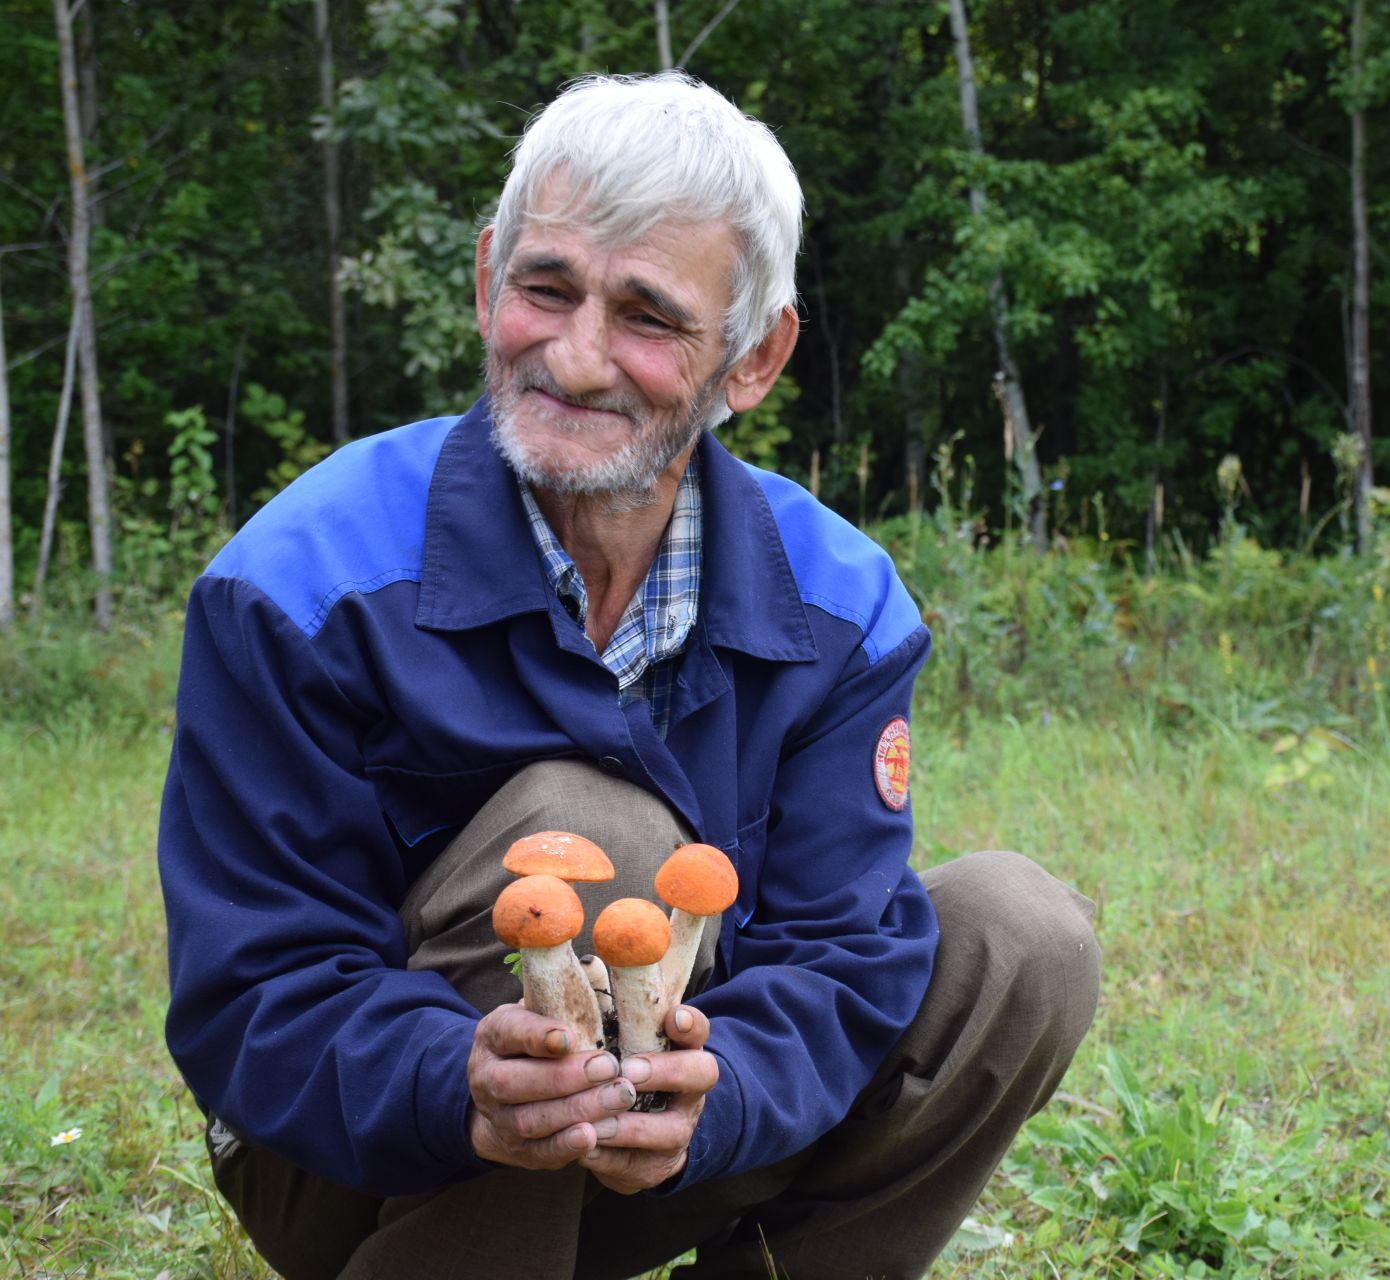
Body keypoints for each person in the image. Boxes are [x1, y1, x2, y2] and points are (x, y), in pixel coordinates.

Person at [158, 72, 1100, 1279]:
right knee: (594, 835)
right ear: (489, 273)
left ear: (753, 357)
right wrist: (457, 1081)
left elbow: (839, 951)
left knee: (1023, 933)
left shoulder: (842, 608)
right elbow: (256, 990)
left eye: (649, 315)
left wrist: (725, 1094)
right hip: (359, 1158)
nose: (578, 355)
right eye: (545, 288)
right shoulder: (298, 586)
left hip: (686, 1157)